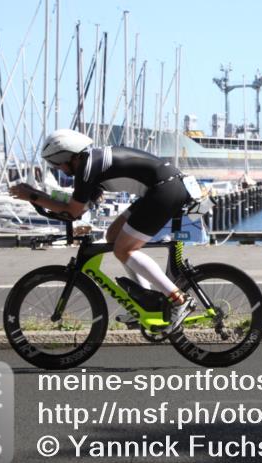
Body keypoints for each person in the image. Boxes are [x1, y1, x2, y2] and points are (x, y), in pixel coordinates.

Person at [10, 128, 194, 330]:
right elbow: (79, 207)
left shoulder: (88, 166)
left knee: (124, 249)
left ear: (67, 156)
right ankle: (146, 302)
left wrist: (33, 196)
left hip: (165, 189)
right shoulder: (91, 163)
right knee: (113, 235)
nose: (57, 168)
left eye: (55, 163)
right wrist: (36, 194)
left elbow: (72, 210)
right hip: (160, 188)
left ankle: (178, 300)